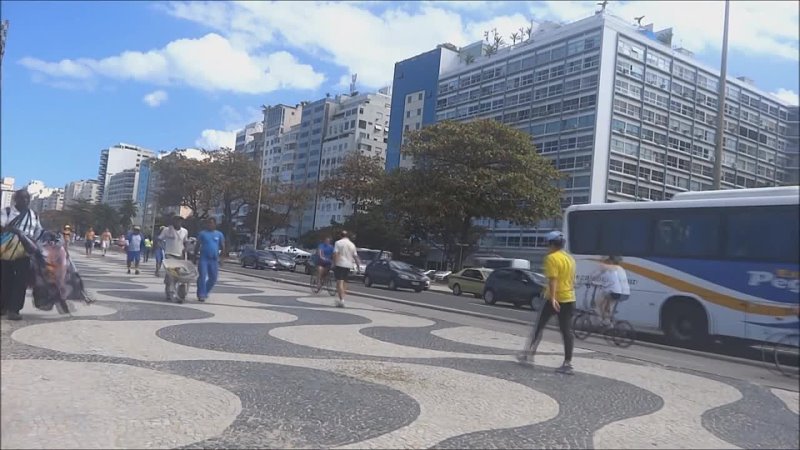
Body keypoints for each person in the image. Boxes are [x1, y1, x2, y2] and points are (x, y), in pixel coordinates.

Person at [517, 230, 577, 375]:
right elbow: (572, 279)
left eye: (547, 243)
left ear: (551, 244)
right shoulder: (570, 259)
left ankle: (528, 355)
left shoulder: (551, 258)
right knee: (566, 331)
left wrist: (554, 298)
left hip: (553, 299)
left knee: (539, 326)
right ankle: (567, 363)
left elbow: (553, 279)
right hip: (570, 298)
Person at [1, 189, 43, 320]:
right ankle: (3, 307)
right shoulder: (6, 212)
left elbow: (38, 232)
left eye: (27, 198)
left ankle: (14, 310)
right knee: (4, 279)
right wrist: (13, 230)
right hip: (5, 252)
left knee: (20, 281)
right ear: (16, 199)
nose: (25, 201)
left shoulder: (34, 215)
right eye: (22, 198)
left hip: (24, 253)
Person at [594, 255, 631, 325]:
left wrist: (592, 281)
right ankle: (609, 321)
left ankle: (604, 320)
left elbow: (599, 277)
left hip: (616, 292)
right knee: (609, 304)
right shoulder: (621, 269)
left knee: (599, 302)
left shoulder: (610, 269)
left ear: (611, 261)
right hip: (625, 293)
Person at [195, 218, 225, 302]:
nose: (210, 225)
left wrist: (222, 259)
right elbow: (197, 245)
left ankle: (205, 291)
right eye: (208, 223)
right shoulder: (202, 234)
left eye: (211, 223)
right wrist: (194, 256)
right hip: (204, 258)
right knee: (202, 276)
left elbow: (223, 247)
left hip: (214, 259)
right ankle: (201, 294)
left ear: (215, 224)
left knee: (213, 278)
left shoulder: (219, 234)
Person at [158, 216, 189, 297]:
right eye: (176, 220)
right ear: (173, 221)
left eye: (180, 220)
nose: (178, 222)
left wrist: (185, 249)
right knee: (171, 273)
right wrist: (163, 247)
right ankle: (170, 291)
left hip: (180, 256)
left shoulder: (184, 231)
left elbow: (185, 242)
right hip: (169, 254)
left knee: (178, 274)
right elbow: (159, 239)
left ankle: (174, 288)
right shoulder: (167, 230)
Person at [332, 230, 361, 308]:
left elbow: (336, 254)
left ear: (340, 235)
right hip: (348, 265)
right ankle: (342, 298)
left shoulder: (338, 243)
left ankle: (342, 300)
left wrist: (334, 263)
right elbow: (355, 256)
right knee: (345, 282)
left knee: (339, 282)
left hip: (340, 264)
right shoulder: (352, 245)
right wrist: (358, 267)